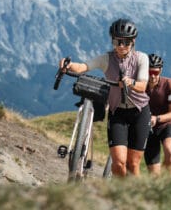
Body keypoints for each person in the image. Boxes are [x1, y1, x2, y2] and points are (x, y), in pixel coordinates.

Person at [59, 18, 150, 177]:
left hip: (139, 112)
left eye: (126, 42)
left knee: (133, 164)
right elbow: (83, 67)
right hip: (118, 113)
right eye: (117, 42)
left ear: (133, 42)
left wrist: (130, 82)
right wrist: (68, 65)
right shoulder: (107, 59)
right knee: (119, 162)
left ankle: (134, 197)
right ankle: (120, 194)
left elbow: (143, 85)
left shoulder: (141, 58)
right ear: (112, 41)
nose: (121, 46)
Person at [144, 54, 171, 175]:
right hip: (147, 128)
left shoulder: (169, 84)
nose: (152, 75)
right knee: (154, 175)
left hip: (166, 125)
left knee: (170, 151)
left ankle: (166, 183)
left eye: (156, 72)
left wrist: (157, 118)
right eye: (149, 72)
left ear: (161, 70)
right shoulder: (140, 86)